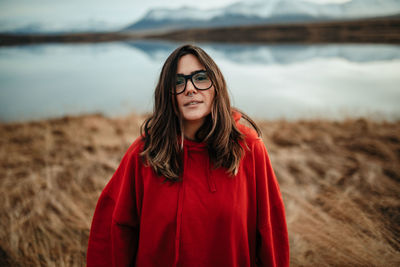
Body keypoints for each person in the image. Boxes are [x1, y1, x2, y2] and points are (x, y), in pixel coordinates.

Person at [87, 44, 289, 267]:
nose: (190, 89)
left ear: (216, 86)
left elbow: (271, 234)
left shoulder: (248, 149)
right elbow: (113, 231)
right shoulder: (145, 154)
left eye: (200, 78)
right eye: (178, 82)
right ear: (168, 95)